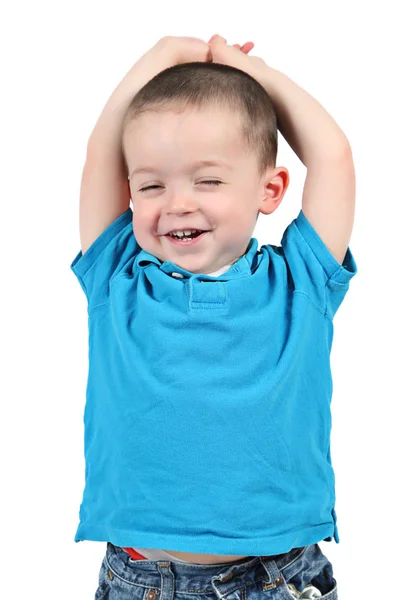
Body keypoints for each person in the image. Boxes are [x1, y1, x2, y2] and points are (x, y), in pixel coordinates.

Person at [70, 34, 357, 600]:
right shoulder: (118, 278)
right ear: (130, 195)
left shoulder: (299, 283)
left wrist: (256, 74)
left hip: (277, 577)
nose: (177, 202)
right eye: (152, 185)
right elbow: (102, 154)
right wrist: (157, 59)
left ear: (270, 189)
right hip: (140, 581)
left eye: (207, 180)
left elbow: (333, 156)